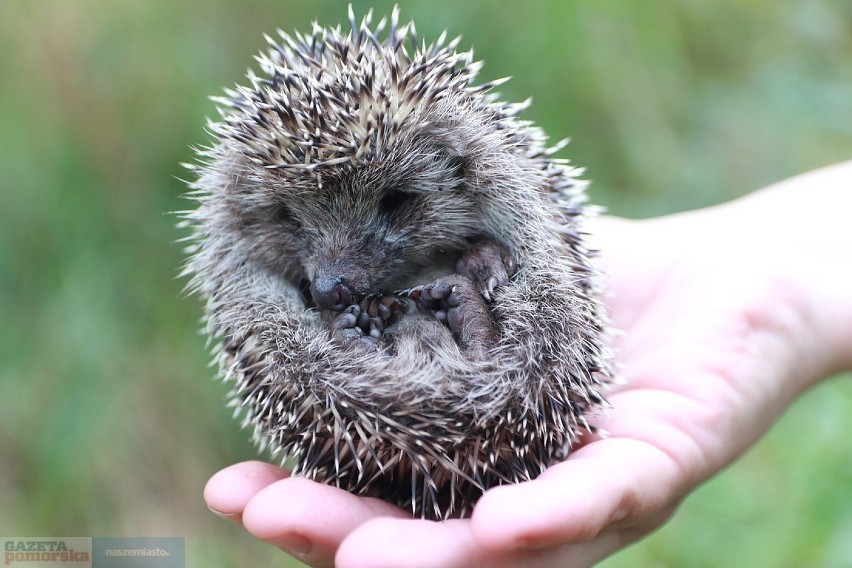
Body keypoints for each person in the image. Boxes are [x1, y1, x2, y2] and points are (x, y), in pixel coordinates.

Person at [203, 161, 852, 567]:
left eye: (390, 209)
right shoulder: (243, 237)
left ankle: (427, 330)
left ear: (462, 170)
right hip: (373, 379)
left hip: (476, 364)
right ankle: (426, 330)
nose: (332, 276)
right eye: (295, 223)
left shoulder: (489, 182)